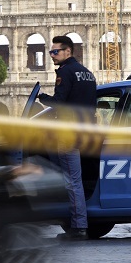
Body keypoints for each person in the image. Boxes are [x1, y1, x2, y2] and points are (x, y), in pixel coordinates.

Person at [37, 36, 97, 240]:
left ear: (68, 51)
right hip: (87, 132)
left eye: (55, 52)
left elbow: (60, 102)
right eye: (50, 52)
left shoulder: (65, 71)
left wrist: (42, 98)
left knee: (72, 181)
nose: (52, 56)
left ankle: (79, 227)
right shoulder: (87, 73)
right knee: (73, 178)